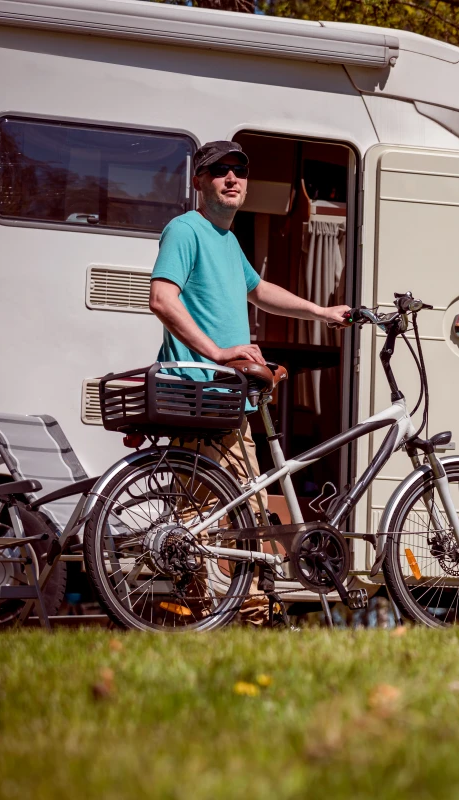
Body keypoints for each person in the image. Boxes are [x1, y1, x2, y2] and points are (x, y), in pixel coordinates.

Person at [149, 141, 352, 621]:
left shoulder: (226, 238)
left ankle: (234, 613)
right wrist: (218, 353)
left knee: (245, 511)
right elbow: (161, 298)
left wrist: (320, 312)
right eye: (219, 171)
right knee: (217, 516)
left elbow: (259, 291)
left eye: (239, 170)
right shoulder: (186, 230)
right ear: (199, 182)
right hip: (198, 393)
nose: (232, 178)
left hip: (226, 400)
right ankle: (220, 613)